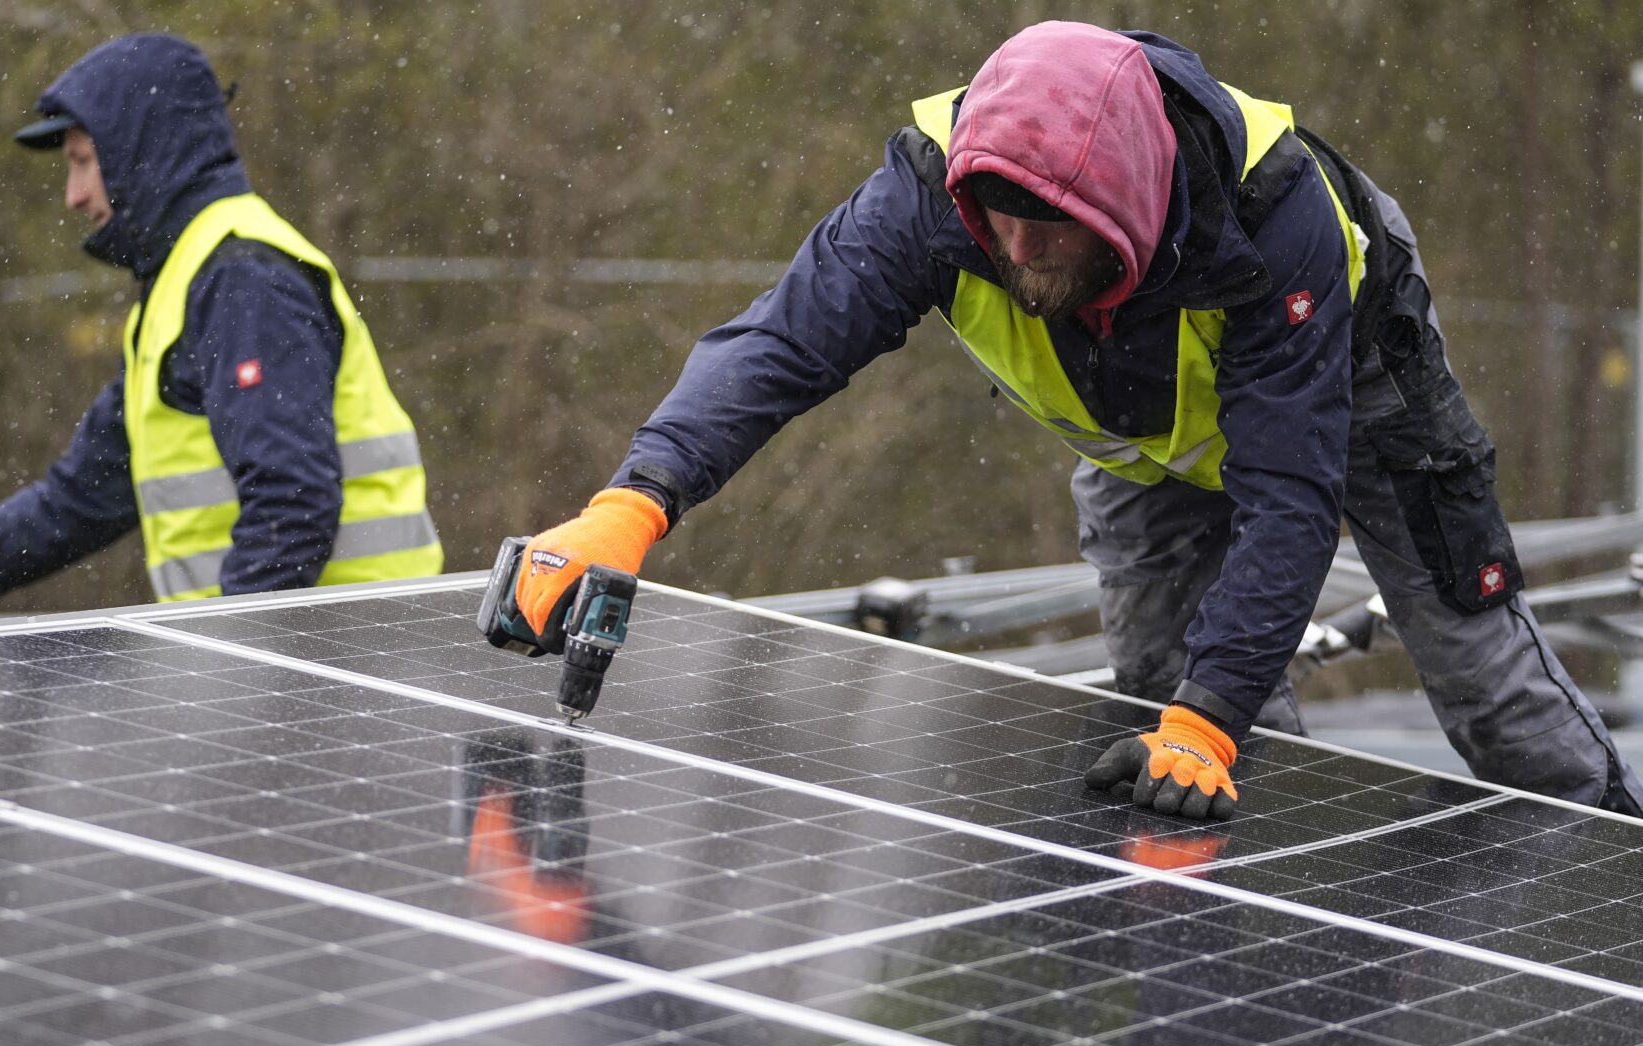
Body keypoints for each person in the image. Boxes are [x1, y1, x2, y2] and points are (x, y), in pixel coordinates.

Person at [505, 21, 1643, 821]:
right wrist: (632, 503)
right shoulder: (928, 198)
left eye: (1048, 231)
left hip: (1349, 387)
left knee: (1490, 700)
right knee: (1163, 701)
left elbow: (1287, 498)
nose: (1014, 254)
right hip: (1136, 433)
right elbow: (779, 347)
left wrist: (1212, 718)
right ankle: (1248, 972)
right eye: (995, 223)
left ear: (1129, 207)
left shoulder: (1273, 214)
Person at [0, 33, 442, 635]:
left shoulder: (240, 280)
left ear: (143, 153)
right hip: (311, 673)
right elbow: (73, 505)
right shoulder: (185, 286)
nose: (72, 193)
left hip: (353, 671)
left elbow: (291, 505)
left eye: (83, 160)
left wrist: (238, 672)